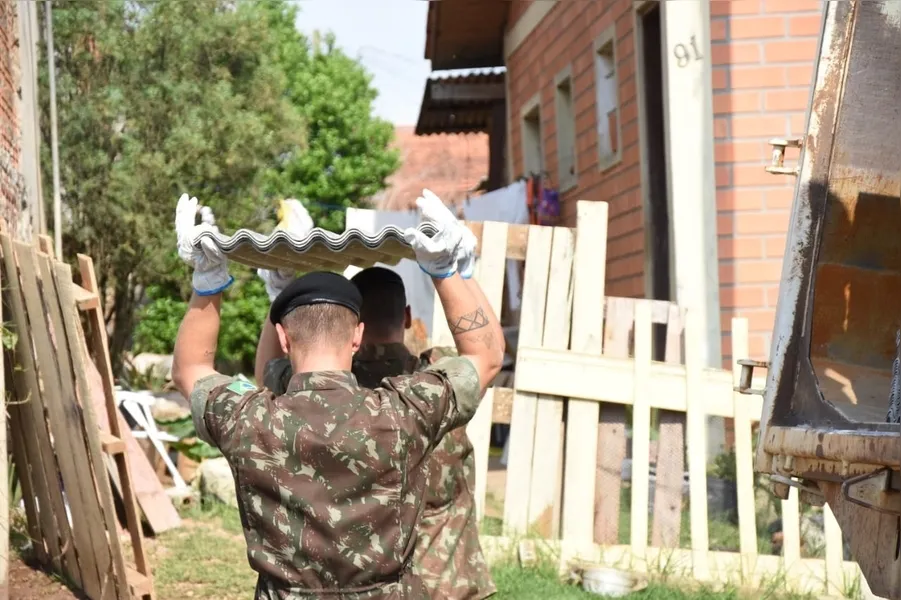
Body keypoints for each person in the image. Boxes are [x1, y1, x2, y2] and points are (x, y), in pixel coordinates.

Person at [171, 191, 504, 599]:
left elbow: (191, 371)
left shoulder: (250, 419)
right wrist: (447, 269)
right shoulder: (404, 411)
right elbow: (485, 357)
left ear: (283, 338)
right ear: (357, 336)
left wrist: (207, 283)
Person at [255, 265, 496, 600]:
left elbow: (267, 372)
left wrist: (279, 302)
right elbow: (487, 353)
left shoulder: (321, 394)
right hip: (448, 580)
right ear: (407, 315)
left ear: (355, 329)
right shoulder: (432, 382)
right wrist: (456, 270)